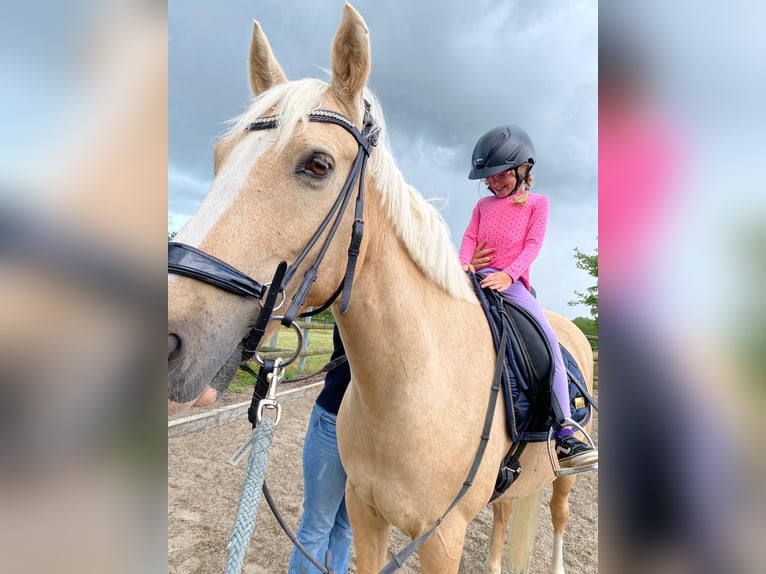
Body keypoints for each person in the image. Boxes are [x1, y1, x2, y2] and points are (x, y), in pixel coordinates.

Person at [458, 124, 598, 471]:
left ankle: (565, 429)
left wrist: (508, 275)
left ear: (524, 169)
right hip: (475, 278)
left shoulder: (538, 204)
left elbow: (533, 245)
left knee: (549, 343)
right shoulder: (483, 207)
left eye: (501, 175)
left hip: (513, 283)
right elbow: (469, 239)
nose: (493, 183)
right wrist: (462, 266)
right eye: (488, 178)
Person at [288, 325, 353, 574]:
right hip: (334, 419)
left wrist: (482, 284)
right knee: (319, 525)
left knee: (342, 527)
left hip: (365, 432)